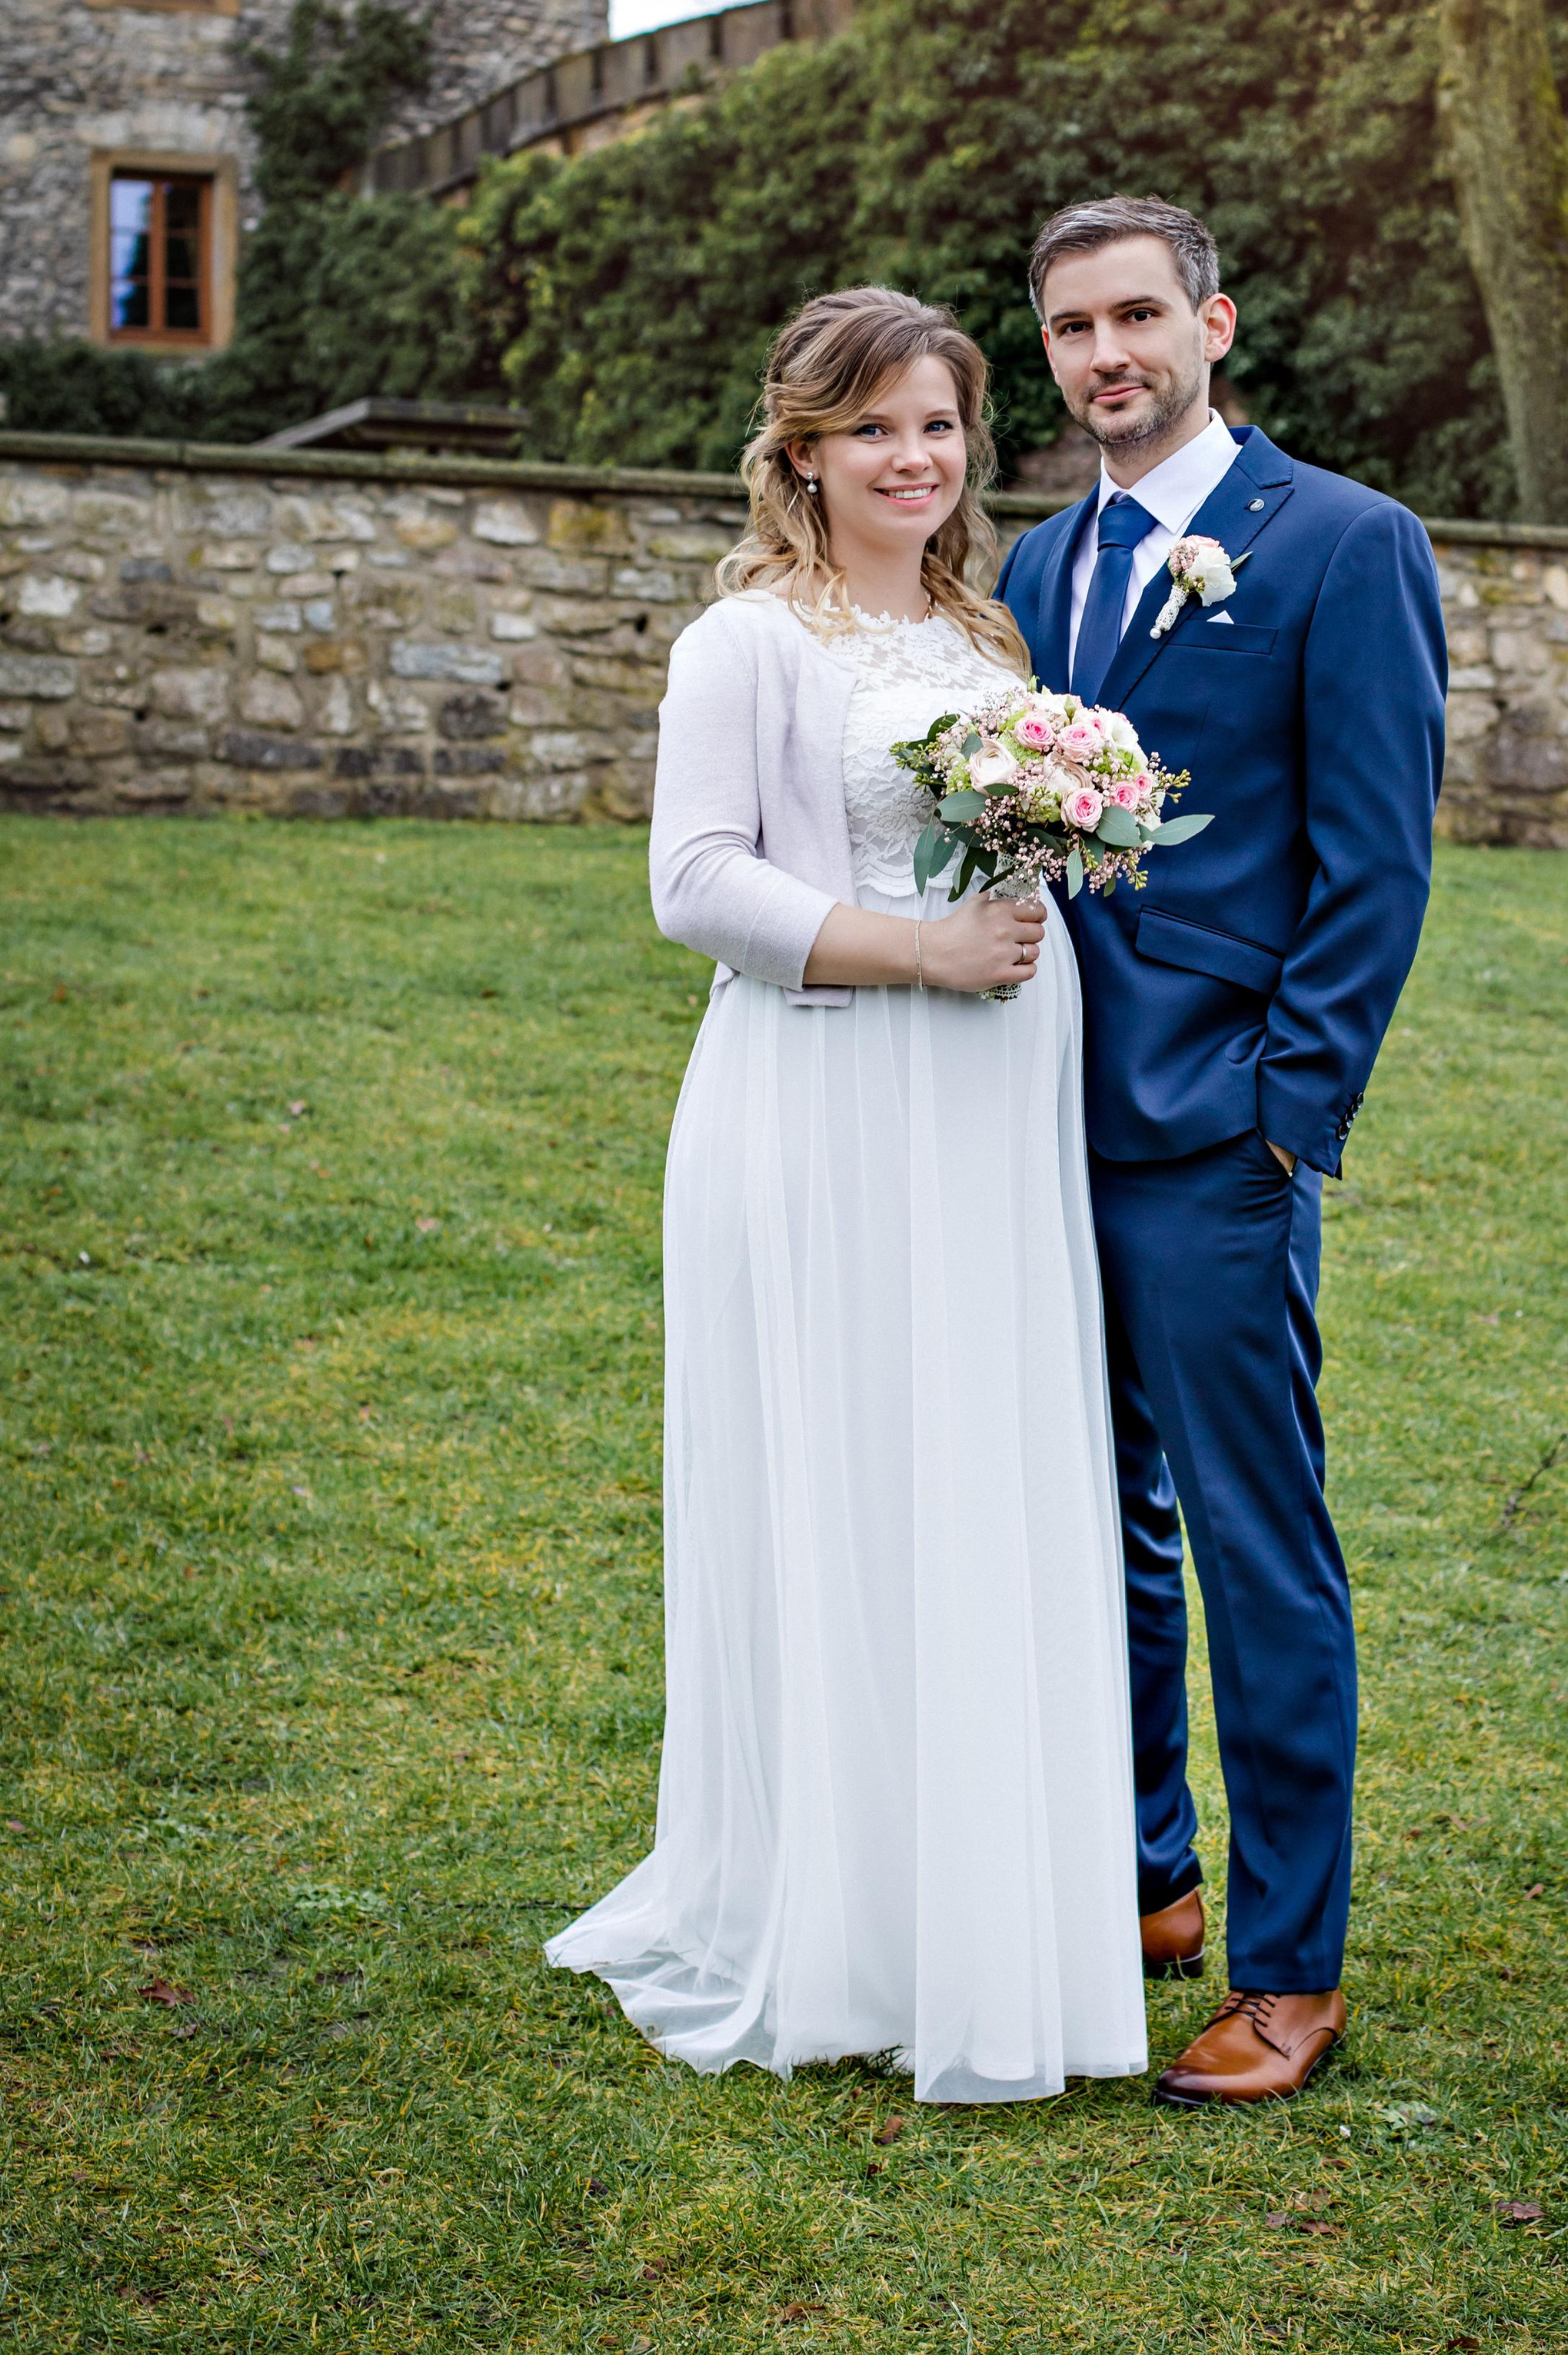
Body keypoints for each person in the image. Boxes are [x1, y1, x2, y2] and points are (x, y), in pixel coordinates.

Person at [544, 288, 1147, 2105]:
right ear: (800, 450)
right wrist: (914, 948)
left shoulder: (987, 634)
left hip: (984, 1113)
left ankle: (985, 1904)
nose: (916, 457)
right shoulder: (748, 644)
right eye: (876, 427)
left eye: (943, 425)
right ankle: (838, 1915)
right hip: (821, 1096)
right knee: (845, 1479)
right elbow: (692, 886)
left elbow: (1019, 846)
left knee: (972, 1474)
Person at [997, 197, 1446, 2110]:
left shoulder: (1342, 544)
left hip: (1213, 1142)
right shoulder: (1028, 559)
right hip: (1020, 1124)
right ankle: (1147, 1878)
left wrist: (1289, 1114)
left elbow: (1376, 859)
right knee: (1087, 1525)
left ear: (1213, 324)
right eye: (1071, 330)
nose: (1106, 355)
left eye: (1135, 318)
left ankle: (1289, 1966)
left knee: (1258, 1543)